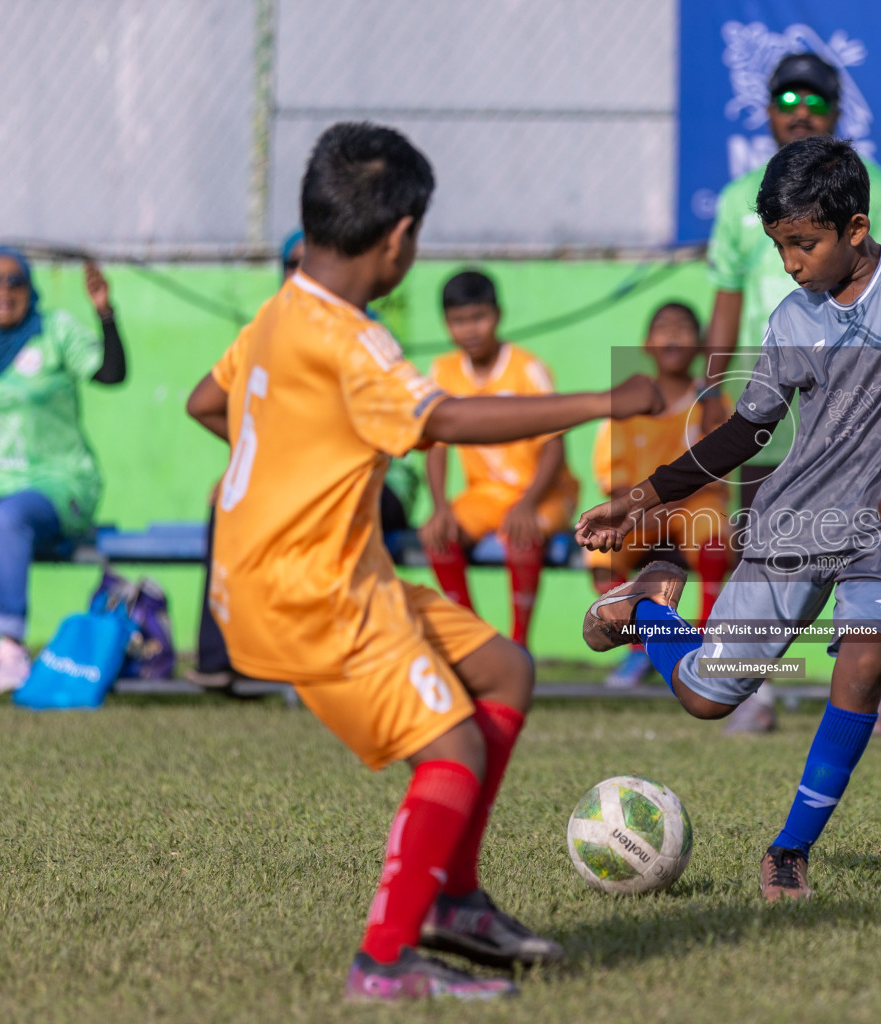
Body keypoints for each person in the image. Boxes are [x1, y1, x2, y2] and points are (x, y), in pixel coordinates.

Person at [184, 122, 663, 1001]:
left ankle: (458, 899)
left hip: (314, 571)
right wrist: (604, 399)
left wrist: (297, 471)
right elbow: (441, 420)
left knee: (506, 672)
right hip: (313, 592)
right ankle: (385, 960)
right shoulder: (353, 340)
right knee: (452, 749)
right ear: (400, 237)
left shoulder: (280, 311)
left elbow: (206, 401)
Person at [575, 137, 881, 901]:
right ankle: (644, 609)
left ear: (855, 228)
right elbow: (744, 431)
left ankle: (789, 849)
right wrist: (640, 501)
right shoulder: (794, 316)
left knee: (864, 668)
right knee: (707, 696)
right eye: (779, 246)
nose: (792, 262)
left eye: (804, 243)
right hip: (792, 527)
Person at [705, 51, 881, 734]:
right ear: (767, 114)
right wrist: (717, 398)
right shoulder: (742, 202)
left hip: (856, 401)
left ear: (836, 115)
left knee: (866, 542)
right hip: (770, 403)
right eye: (786, 102)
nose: (800, 115)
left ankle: (867, 692)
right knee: (765, 541)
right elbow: (725, 299)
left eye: (815, 104)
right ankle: (759, 690)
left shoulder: (879, 191)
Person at [189, 230, 417, 687]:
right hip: (303, 482)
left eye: (306, 263)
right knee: (228, 498)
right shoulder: (268, 329)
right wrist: (253, 466)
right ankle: (223, 658)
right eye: (291, 265)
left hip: (377, 481)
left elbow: (397, 435)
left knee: (314, 513)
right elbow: (205, 405)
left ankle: (322, 658)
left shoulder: (361, 335)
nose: (298, 274)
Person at [0, 247, 126, 691]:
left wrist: (105, 313)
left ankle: (10, 646)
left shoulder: (53, 332)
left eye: (15, 281)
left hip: (58, 486)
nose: (4, 292)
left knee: (8, 518)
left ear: (30, 288)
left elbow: (111, 373)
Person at [417, 270, 578, 649]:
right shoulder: (443, 371)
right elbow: (435, 446)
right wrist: (440, 507)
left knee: (521, 536)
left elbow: (554, 445)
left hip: (543, 493)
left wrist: (528, 503)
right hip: (486, 495)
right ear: (446, 323)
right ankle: (474, 642)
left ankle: (519, 646)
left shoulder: (527, 368)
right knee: (438, 536)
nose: (470, 329)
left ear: (498, 315)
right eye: (458, 321)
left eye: (479, 318)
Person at [588, 301, 732, 689]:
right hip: (640, 510)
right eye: (663, 327)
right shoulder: (627, 401)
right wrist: (643, 508)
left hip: (692, 506)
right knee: (601, 550)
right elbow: (613, 478)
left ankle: (706, 643)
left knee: (715, 542)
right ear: (647, 345)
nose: (673, 334)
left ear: (701, 347)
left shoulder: (712, 402)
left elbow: (718, 474)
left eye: (684, 327)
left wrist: (666, 506)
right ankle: (639, 648)